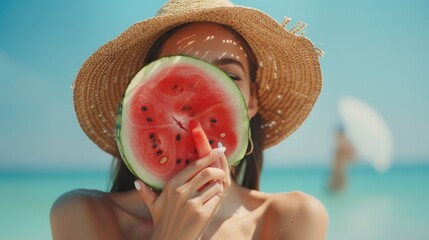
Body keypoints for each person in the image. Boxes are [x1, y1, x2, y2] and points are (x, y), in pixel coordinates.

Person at [50, 0, 328, 239]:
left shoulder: (295, 217)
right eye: (177, 80)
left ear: (252, 100)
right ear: (142, 97)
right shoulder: (82, 213)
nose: (193, 107)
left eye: (229, 77)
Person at [328, 126, 357, 192]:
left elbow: (353, 158)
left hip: (340, 174)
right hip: (335, 173)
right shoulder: (340, 144)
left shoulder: (344, 144)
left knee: (337, 192)